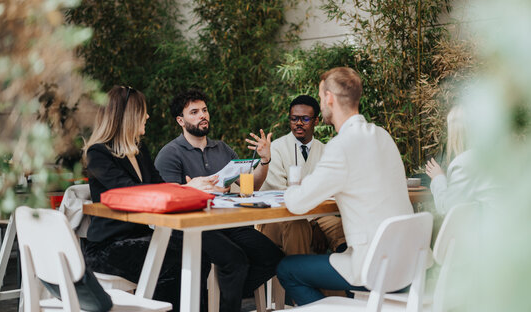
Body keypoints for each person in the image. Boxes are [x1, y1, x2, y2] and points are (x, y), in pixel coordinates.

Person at [276, 67, 413, 305]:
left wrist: (293, 186)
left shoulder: (341, 146)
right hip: (408, 263)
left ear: (329, 98)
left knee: (287, 269)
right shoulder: (383, 135)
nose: (322, 102)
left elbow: (297, 203)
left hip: (373, 266)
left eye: (320, 98)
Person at [83, 86, 216, 310]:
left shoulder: (139, 149)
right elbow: (133, 193)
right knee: (175, 264)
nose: (147, 116)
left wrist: (187, 188)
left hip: (143, 237)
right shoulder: (98, 154)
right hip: (108, 247)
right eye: (142, 112)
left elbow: (159, 186)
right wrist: (187, 187)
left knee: (199, 255)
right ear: (127, 116)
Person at [154, 90, 284, 312]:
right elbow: (167, 198)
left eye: (204, 110)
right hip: (194, 228)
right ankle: (224, 299)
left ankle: (223, 299)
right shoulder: (170, 154)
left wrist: (264, 160)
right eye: (194, 112)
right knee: (235, 261)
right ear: (180, 120)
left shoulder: (222, 149)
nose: (202, 115)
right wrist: (196, 187)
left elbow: (252, 185)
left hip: (229, 223)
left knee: (274, 258)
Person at [259, 95, 346, 255]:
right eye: (294, 119)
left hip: (317, 214)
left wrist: (314, 220)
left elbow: (329, 192)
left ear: (316, 121)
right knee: (298, 225)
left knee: (344, 228)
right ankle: (298, 276)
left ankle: (346, 273)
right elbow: (281, 195)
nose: (298, 123)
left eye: (305, 119)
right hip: (279, 217)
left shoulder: (325, 150)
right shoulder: (275, 149)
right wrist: (312, 224)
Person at [425, 105, 494, 215]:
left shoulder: (464, 163)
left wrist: (438, 177)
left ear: (455, 133)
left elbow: (446, 208)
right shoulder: (495, 156)